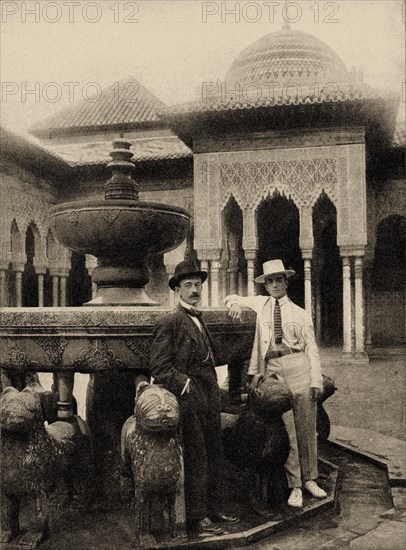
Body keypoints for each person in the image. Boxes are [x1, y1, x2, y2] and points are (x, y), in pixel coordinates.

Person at [224, 259, 327, 508]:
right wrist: (236, 303)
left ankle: (311, 478)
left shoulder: (300, 314)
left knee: (306, 423)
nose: (274, 285)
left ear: (285, 282)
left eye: (278, 280)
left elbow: (311, 348)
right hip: (273, 368)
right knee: (289, 426)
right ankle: (295, 485)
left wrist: (316, 378)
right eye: (269, 281)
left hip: (298, 364)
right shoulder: (261, 305)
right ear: (266, 285)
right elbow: (230, 297)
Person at [149, 261, 239, 536]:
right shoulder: (170, 321)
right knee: (197, 456)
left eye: (197, 285)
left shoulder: (200, 319)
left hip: (209, 395)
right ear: (177, 290)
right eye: (188, 285)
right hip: (189, 399)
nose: (194, 290)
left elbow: (215, 355)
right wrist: (185, 384)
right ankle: (197, 519)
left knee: (215, 452)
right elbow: (159, 366)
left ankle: (214, 509)